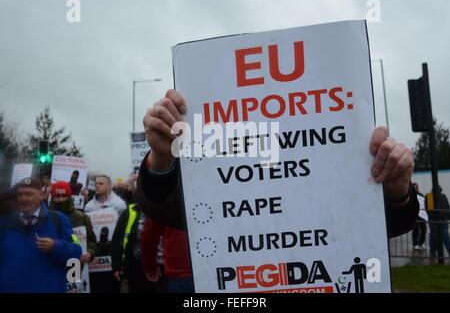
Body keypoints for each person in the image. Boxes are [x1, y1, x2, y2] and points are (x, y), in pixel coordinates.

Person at [137, 90, 419, 290]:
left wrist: (396, 192)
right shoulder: (212, 196)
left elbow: (378, 226)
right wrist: (162, 160)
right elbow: (165, 210)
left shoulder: (338, 184)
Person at [0, 177, 82, 293]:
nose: (24, 199)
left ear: (41, 195)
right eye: (20, 195)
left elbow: (76, 250)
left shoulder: (58, 219)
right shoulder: (5, 222)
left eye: (29, 194)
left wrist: (55, 246)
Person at [112, 198, 166, 293]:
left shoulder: (168, 209)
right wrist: (116, 265)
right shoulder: (131, 211)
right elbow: (117, 239)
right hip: (136, 266)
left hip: (162, 266)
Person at [49, 181, 97, 264]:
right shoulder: (44, 217)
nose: (61, 199)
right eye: (57, 196)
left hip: (74, 265)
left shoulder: (81, 217)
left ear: (69, 196)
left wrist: (90, 253)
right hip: (50, 264)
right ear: (52, 197)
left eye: (64, 196)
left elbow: (91, 241)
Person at [141, 217, 190, 292]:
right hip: (208, 270)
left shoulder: (163, 205)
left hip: (179, 274)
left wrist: (150, 267)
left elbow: (148, 237)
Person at [428, 186, 450, 259]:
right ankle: (433, 254)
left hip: (438, 221)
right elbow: (447, 208)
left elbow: (430, 211)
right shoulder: (431, 197)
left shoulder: (430, 197)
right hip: (439, 221)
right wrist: (444, 216)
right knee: (442, 238)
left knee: (435, 238)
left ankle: (433, 254)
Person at [412, 183, 428, 251]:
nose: (415, 188)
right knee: (415, 230)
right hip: (415, 216)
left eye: (416, 187)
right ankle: (415, 244)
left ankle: (421, 243)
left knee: (424, 230)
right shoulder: (410, 196)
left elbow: (425, 204)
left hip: (422, 215)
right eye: (413, 187)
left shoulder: (421, 195)